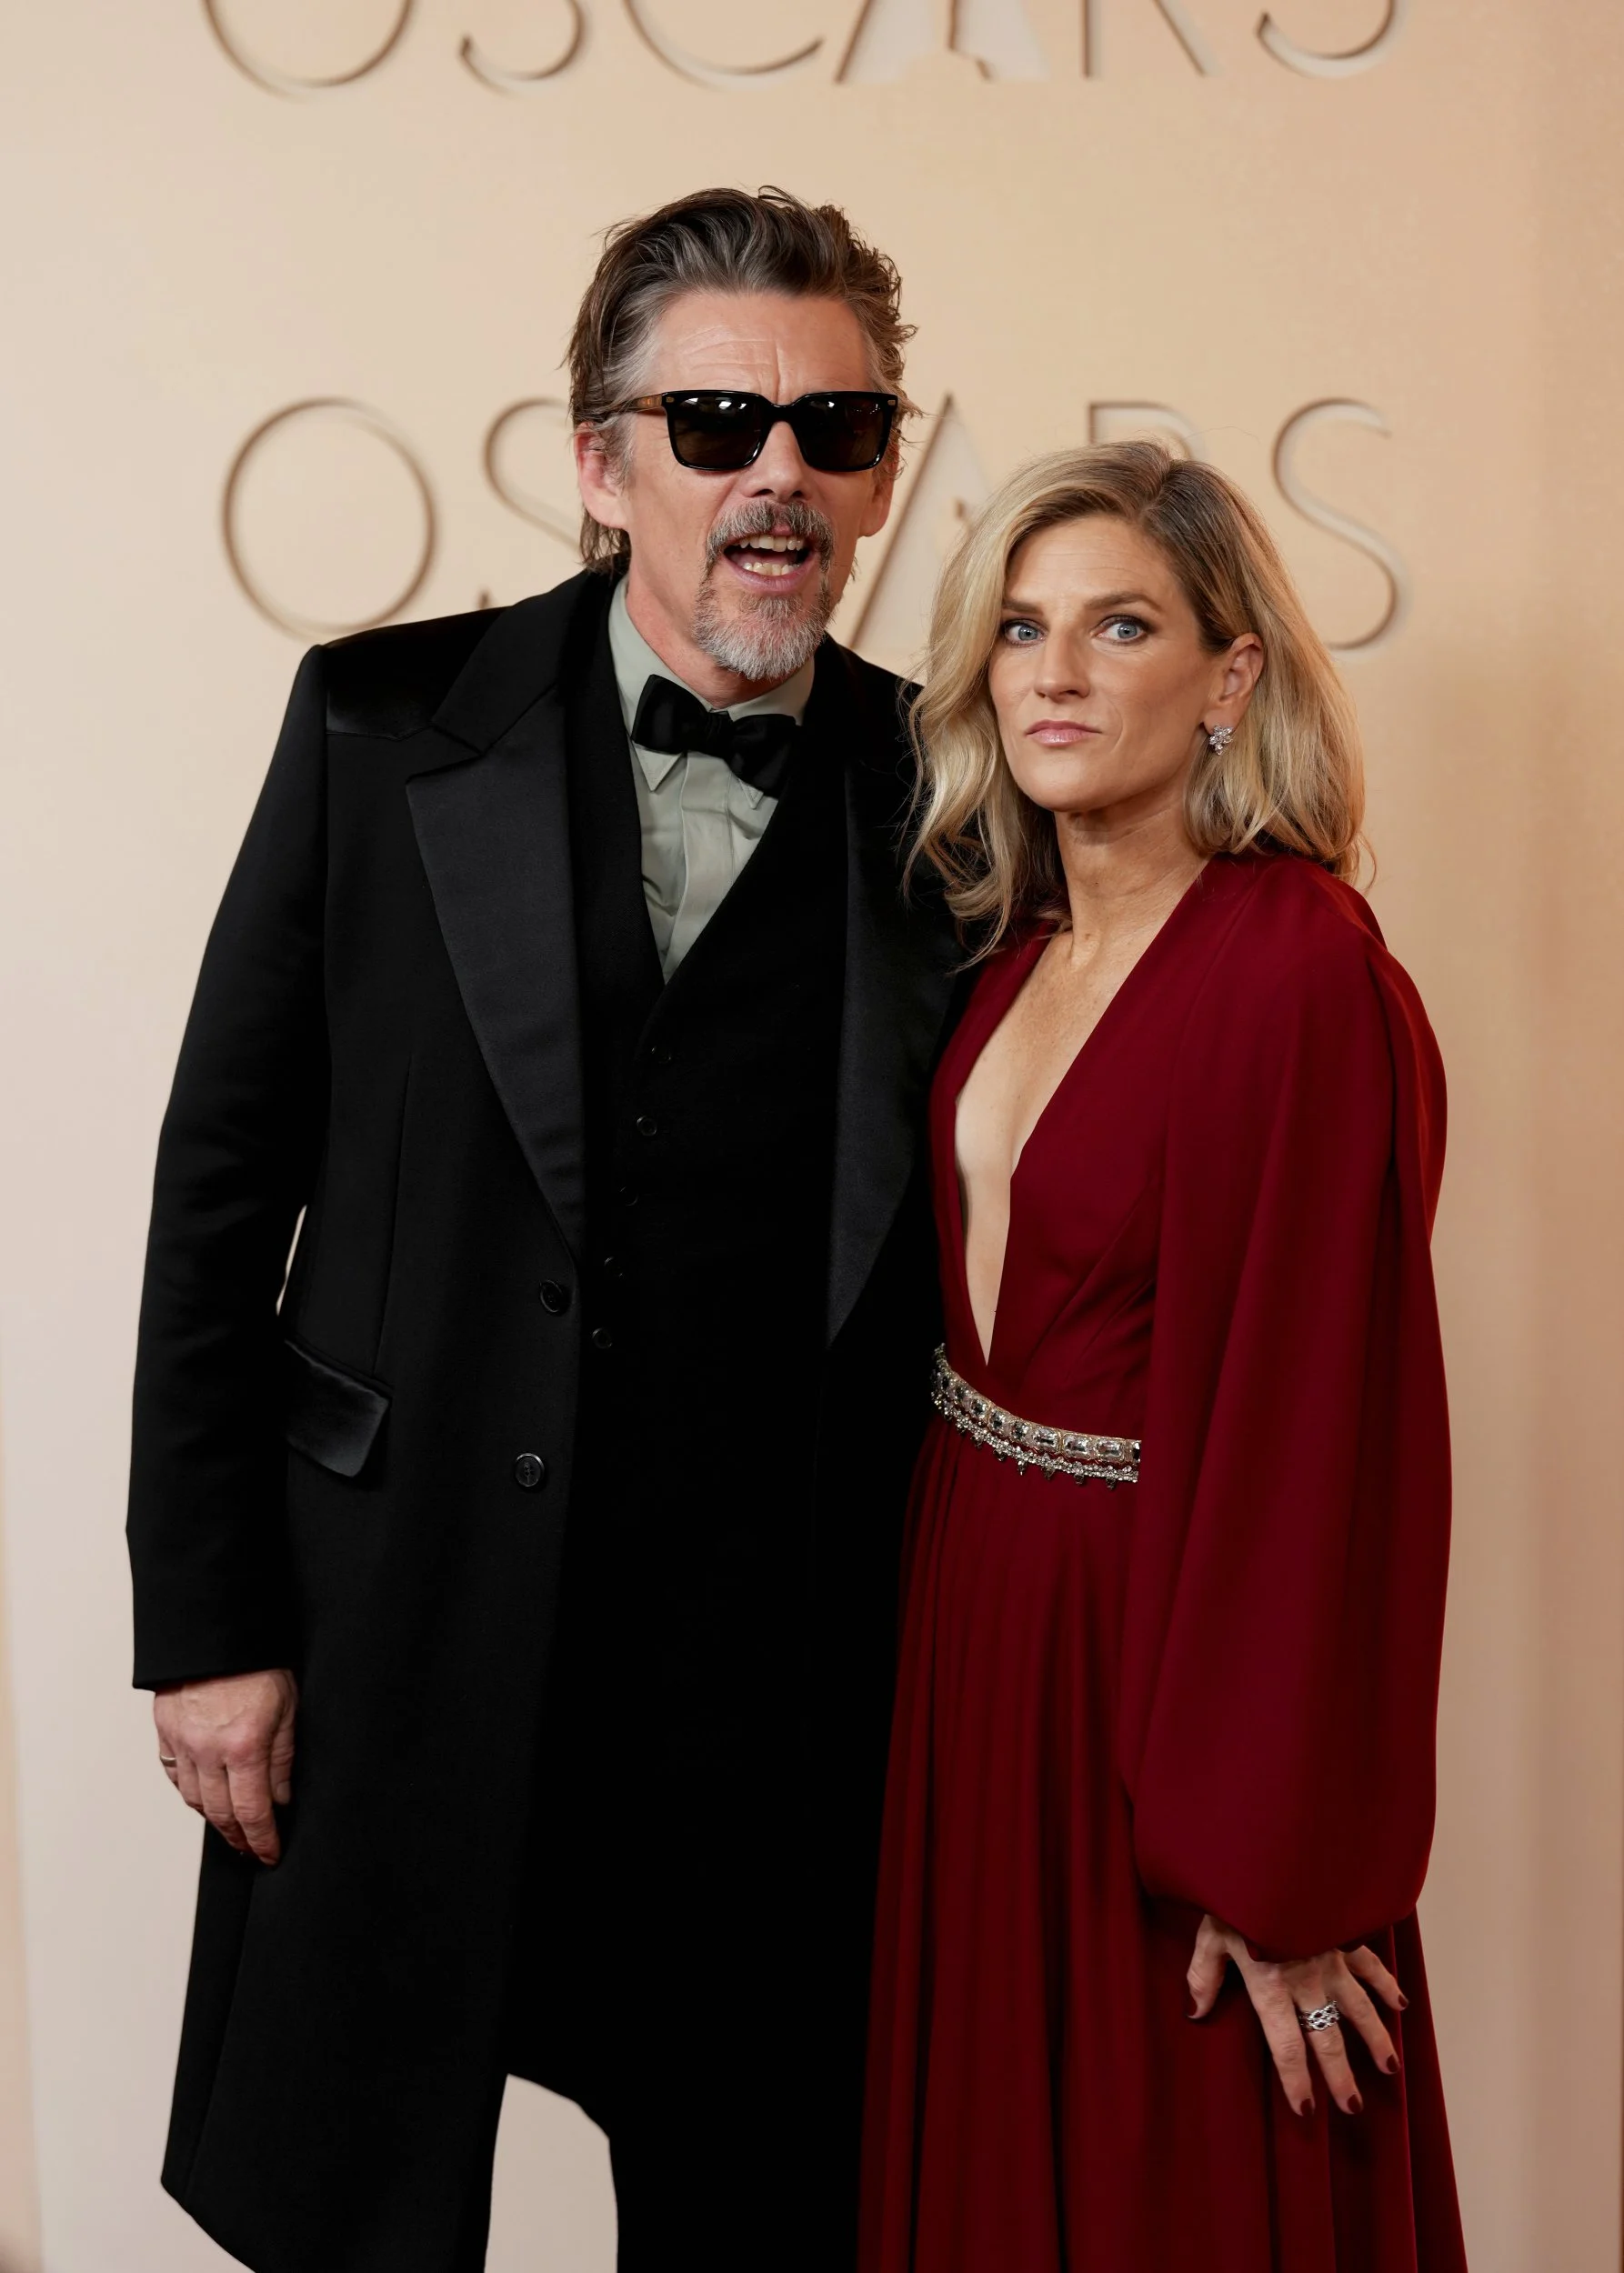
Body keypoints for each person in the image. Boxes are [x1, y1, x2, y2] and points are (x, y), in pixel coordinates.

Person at [126, 185, 959, 2273]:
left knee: (766, 2206)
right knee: (358, 2198)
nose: (778, 474)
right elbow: (221, 1184)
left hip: (770, 1688)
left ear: (879, 468)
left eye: (834, 430)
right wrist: (206, 1617)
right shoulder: (376, 720)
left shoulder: (952, 793)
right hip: (392, 1627)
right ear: (598, 460)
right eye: (713, 423)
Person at [858, 443, 1466, 2271]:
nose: (1050, 670)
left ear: (1227, 676)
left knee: (1170, 2175)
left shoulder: (1296, 974)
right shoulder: (1010, 949)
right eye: (1020, 628)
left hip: (1160, 1675)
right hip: (975, 1624)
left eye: (1118, 624)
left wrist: (1275, 1873)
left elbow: (1318, 1446)